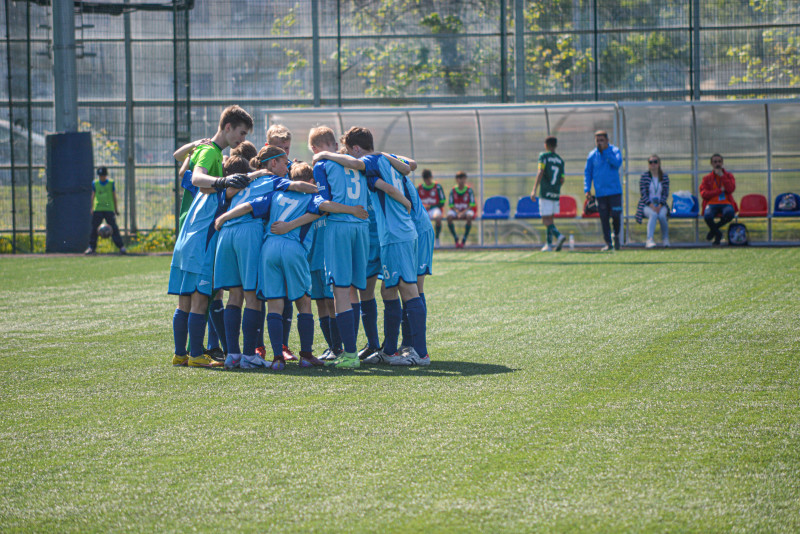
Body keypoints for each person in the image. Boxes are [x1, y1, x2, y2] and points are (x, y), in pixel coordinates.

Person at [215, 161, 368, 370]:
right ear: (311, 180)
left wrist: (224, 217)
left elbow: (249, 206)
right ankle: (306, 355)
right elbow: (326, 206)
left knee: (274, 303)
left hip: (269, 248)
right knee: (304, 301)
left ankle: (277, 357)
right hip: (293, 248)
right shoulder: (312, 196)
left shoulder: (276, 193)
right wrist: (352, 210)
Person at [213, 145, 316, 370]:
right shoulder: (274, 182)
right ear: (272, 164)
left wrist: (223, 217)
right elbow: (297, 185)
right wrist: (317, 189)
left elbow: (228, 194)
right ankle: (249, 354)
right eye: (284, 162)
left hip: (226, 232)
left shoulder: (246, 179)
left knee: (234, 295)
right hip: (248, 231)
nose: (287, 166)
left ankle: (232, 355)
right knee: (252, 296)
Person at [168, 105, 253, 369]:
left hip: (188, 234)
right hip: (201, 237)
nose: (241, 139)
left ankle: (181, 353)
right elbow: (196, 177)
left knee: (185, 298)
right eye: (240, 132)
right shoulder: (210, 151)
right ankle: (195, 354)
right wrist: (223, 182)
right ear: (227, 127)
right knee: (200, 298)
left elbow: (182, 164)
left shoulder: (210, 151)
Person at [266, 124, 298, 361]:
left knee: (285, 293)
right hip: (262, 238)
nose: (284, 154)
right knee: (258, 295)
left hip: (285, 239)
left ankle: (284, 346)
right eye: (280, 149)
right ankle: (257, 346)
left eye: (286, 149)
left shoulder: (289, 169)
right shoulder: (260, 169)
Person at [584, 130, 623, 251]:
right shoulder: (592, 155)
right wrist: (587, 189)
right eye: (597, 140)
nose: (599, 143)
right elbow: (588, 173)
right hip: (600, 193)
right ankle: (608, 243)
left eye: (602, 140)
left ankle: (616, 235)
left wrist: (606, 152)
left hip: (615, 192)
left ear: (607, 140)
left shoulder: (614, 151)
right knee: (604, 218)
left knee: (616, 215)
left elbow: (617, 164)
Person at [531, 136, 567, 252]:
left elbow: (540, 171)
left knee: (545, 220)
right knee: (550, 219)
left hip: (545, 192)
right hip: (555, 193)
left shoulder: (544, 157)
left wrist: (534, 189)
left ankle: (558, 235)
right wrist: (555, 188)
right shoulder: (560, 161)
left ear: (546, 145)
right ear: (556, 146)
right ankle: (549, 244)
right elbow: (562, 179)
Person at [85, 166, 126, 255]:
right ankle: (91, 247)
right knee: (94, 229)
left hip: (108, 208)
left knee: (114, 228)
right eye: (100, 176)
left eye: (103, 175)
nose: (102, 177)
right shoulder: (95, 183)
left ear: (106, 175)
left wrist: (116, 208)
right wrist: (92, 207)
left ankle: (121, 247)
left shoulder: (111, 183)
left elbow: (114, 196)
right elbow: (93, 196)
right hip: (98, 208)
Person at [700, 154, 738, 246]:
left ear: (722, 163)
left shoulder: (728, 176)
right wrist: (719, 191)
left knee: (729, 213)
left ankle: (714, 230)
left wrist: (722, 176)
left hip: (726, 202)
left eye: (719, 161)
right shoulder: (707, 178)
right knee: (708, 216)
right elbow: (704, 194)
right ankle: (718, 234)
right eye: (715, 162)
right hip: (712, 203)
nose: (717, 164)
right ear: (711, 164)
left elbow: (731, 189)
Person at [635, 155, 670, 248]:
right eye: (651, 162)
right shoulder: (644, 176)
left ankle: (665, 239)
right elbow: (643, 194)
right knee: (653, 215)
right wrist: (651, 205)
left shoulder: (664, 176)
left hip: (661, 205)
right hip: (647, 205)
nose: (653, 164)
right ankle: (649, 240)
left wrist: (660, 205)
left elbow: (665, 193)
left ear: (659, 164)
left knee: (662, 216)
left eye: (655, 162)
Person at [446, 171, 477, 248]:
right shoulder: (453, 190)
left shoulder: (469, 190)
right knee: (449, 217)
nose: (461, 180)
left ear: (465, 179)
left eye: (463, 178)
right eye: (459, 178)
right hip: (456, 211)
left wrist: (462, 213)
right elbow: (451, 205)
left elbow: (472, 204)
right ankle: (456, 238)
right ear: (456, 180)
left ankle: (464, 239)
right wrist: (458, 212)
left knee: (469, 216)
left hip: (466, 210)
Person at [417, 169, 446, 245]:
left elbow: (442, 202)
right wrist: (423, 206)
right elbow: (415, 202)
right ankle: (422, 240)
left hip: (435, 209)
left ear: (431, 177)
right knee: (417, 219)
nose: (427, 180)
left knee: (438, 217)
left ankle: (437, 239)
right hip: (423, 210)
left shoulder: (437, 187)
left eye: (428, 178)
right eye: (425, 178)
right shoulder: (419, 188)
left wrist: (431, 206)